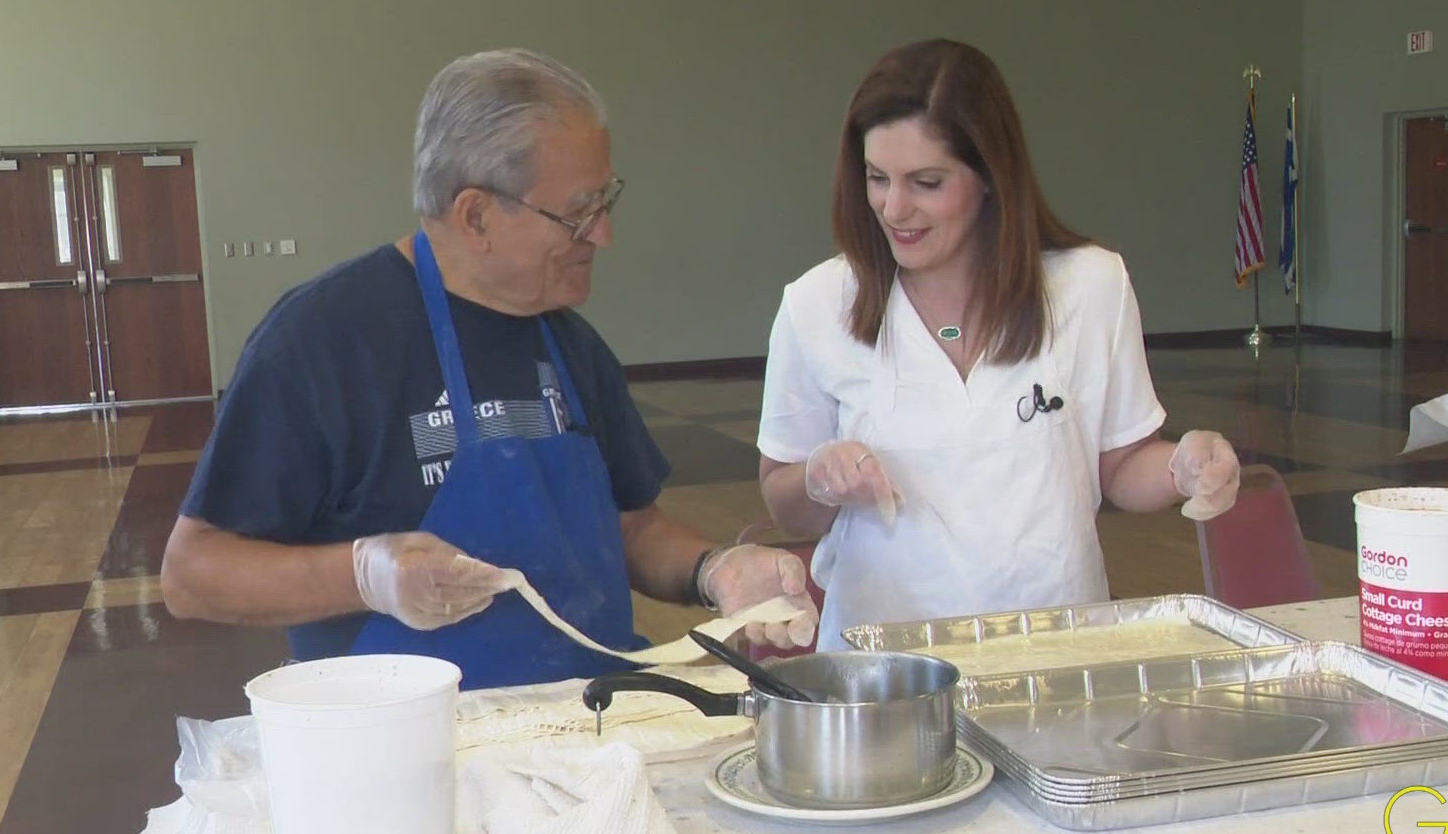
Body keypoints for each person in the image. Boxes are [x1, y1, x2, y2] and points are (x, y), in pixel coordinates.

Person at [161, 49, 815, 688]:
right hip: (406, 740)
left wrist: (717, 571)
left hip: (585, 720)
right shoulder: (322, 341)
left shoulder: (570, 343)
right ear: (476, 215)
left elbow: (631, 525)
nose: (604, 234)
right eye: (579, 212)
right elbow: (193, 574)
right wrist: (368, 575)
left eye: (606, 201)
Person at [757, 39, 1241, 650]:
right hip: (884, 666)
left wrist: (1186, 466)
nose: (894, 208)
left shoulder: (1090, 284)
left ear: (989, 175)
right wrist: (818, 480)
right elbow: (784, 501)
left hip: (1057, 647)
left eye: (926, 182)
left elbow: (1118, 465)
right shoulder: (817, 303)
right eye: (877, 179)